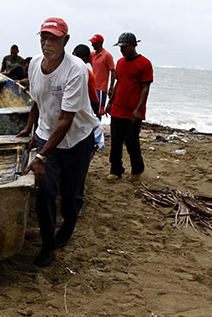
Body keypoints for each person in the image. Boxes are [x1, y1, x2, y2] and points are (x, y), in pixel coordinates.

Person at [18, 17, 104, 268]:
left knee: (71, 195)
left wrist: (41, 156)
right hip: (48, 137)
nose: (47, 42)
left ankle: (67, 227)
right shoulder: (34, 64)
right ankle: (48, 246)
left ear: (65, 40)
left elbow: (66, 120)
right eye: (44, 37)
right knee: (45, 192)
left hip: (76, 139)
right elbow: (37, 101)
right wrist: (30, 130)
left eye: (54, 37)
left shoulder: (76, 69)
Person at [105, 32, 153, 183]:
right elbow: (119, 83)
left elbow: (145, 87)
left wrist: (139, 109)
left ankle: (137, 168)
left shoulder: (144, 63)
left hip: (133, 110)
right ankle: (116, 169)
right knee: (115, 140)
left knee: (132, 141)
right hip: (118, 108)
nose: (122, 50)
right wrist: (110, 102)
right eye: (120, 47)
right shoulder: (120, 63)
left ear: (133, 45)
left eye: (124, 47)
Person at [89, 34, 116, 116]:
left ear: (100, 43)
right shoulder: (92, 55)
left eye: (94, 43)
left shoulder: (107, 55)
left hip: (101, 88)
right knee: (90, 110)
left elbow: (113, 71)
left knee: (98, 111)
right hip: (92, 86)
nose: (92, 45)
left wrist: (111, 87)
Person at [72, 44, 101, 119]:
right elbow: (93, 99)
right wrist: (97, 115)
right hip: (82, 114)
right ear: (87, 59)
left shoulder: (64, 70)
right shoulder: (88, 74)